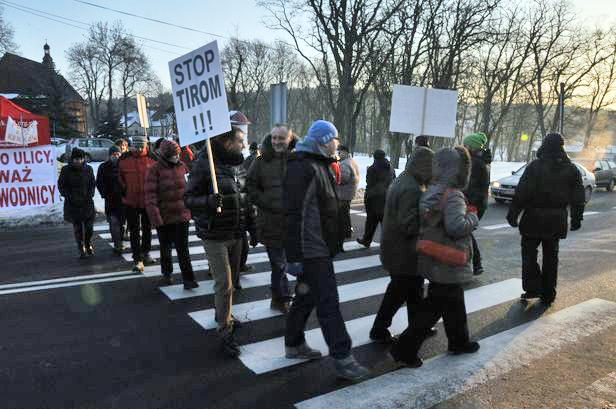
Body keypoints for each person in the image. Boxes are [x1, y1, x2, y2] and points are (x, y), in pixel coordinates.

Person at [284, 119, 369, 381]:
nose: (337, 144)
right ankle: (343, 358)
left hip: (319, 246)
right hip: (312, 249)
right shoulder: (303, 168)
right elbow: (293, 215)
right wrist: (295, 256)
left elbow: (331, 203)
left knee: (306, 297)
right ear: (323, 140)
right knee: (328, 303)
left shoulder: (320, 165)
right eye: (334, 139)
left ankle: (294, 344)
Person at [391, 146, 480, 368]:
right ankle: (404, 349)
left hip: (434, 257)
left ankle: (459, 341)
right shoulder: (454, 195)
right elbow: (455, 226)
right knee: (432, 310)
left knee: (454, 302)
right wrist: (472, 217)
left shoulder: (433, 189)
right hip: (449, 259)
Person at [184, 110, 256, 358]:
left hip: (236, 232)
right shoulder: (205, 164)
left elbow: (244, 199)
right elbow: (188, 199)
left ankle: (224, 314)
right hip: (214, 234)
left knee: (232, 283)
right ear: (227, 143)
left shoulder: (238, 166)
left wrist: (252, 227)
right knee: (223, 284)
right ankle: (224, 331)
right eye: (240, 141)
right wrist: (208, 200)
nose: (244, 145)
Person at [507, 132, 585, 305]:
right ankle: (549, 293)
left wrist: (513, 213)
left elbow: (522, 192)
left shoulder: (535, 166)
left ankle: (533, 287)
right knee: (551, 256)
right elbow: (578, 196)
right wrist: (576, 218)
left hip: (533, 218)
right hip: (556, 219)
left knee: (529, 255)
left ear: (544, 145)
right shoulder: (571, 169)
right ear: (562, 147)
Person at [369, 147, 435, 343]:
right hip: (404, 252)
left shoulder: (404, 180)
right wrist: (430, 219)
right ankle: (379, 329)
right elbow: (409, 225)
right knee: (399, 293)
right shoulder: (412, 188)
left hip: (396, 249)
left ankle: (417, 326)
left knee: (411, 292)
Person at [246, 125, 297, 313]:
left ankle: (278, 296)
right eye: (274, 138)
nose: (276, 142)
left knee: (286, 263)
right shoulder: (260, 161)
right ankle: (282, 298)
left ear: (290, 139)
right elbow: (249, 186)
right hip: (270, 222)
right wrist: (265, 201)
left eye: (281, 138)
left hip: (293, 224)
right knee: (278, 263)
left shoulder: (298, 160)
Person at [145, 139, 198, 289]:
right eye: (173, 154)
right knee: (166, 248)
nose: (176, 157)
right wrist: (156, 217)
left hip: (182, 216)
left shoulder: (182, 167)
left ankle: (189, 279)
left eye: (177, 154)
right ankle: (167, 275)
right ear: (166, 155)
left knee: (183, 250)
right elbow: (150, 196)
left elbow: (189, 190)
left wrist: (191, 209)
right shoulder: (154, 170)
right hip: (165, 217)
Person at [118, 135, 156, 272]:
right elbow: (119, 178)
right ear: (132, 146)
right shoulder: (124, 160)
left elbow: (156, 178)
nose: (139, 149)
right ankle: (137, 259)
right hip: (130, 201)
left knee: (147, 229)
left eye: (142, 146)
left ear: (146, 146)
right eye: (137, 146)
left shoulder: (152, 160)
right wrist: (124, 190)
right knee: (134, 230)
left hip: (147, 201)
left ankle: (146, 252)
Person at [58, 148, 96, 258]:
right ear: (72, 159)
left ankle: (88, 243)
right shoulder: (66, 170)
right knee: (78, 228)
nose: (78, 161)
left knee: (89, 227)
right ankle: (81, 247)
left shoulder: (88, 169)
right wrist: (68, 196)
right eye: (75, 159)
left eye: (80, 159)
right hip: (73, 203)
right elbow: (61, 185)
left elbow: (92, 183)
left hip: (86, 202)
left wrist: (90, 194)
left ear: (83, 159)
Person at [462, 132, 491, 275]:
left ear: (471, 147)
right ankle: (475, 263)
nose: (463, 147)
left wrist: (468, 204)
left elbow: (471, 186)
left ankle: (476, 263)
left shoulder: (475, 163)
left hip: (472, 204)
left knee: (464, 232)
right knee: (465, 232)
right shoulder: (478, 161)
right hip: (476, 203)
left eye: (465, 145)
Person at [357, 149, 395, 248]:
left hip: (374, 198)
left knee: (371, 222)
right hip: (386, 198)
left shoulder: (372, 168)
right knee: (385, 223)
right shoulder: (390, 168)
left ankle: (366, 240)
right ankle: (387, 243)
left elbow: (369, 183)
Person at [96, 145, 125, 254]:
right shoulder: (103, 167)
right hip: (110, 200)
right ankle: (117, 244)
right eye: (113, 154)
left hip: (123, 199)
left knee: (122, 223)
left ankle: (120, 240)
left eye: (118, 154)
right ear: (109, 155)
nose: (116, 156)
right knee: (113, 222)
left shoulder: (123, 166)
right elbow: (99, 182)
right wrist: (105, 194)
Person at [335, 145, 359, 251]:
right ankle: (347, 231)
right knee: (345, 212)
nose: (338, 154)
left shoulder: (345, 163)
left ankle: (344, 232)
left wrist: (335, 178)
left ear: (344, 152)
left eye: (339, 152)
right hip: (349, 192)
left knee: (342, 214)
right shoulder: (351, 161)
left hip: (344, 193)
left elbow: (343, 178)